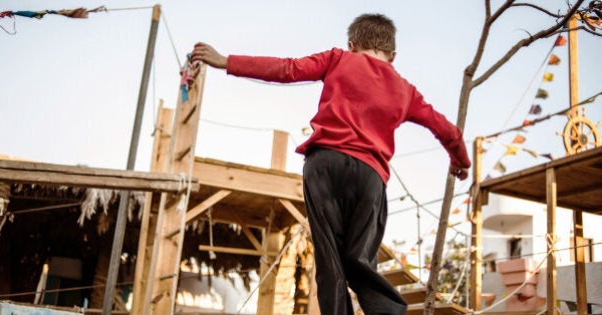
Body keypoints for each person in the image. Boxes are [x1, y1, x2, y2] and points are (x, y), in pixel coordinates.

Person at [191, 13, 471, 315]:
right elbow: (446, 129)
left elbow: (287, 69)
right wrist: (460, 161)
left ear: (351, 45)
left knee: (330, 261)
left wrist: (226, 61)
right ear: (392, 55)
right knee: (360, 259)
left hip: (324, 165)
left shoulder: (338, 58)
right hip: (369, 175)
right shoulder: (406, 90)